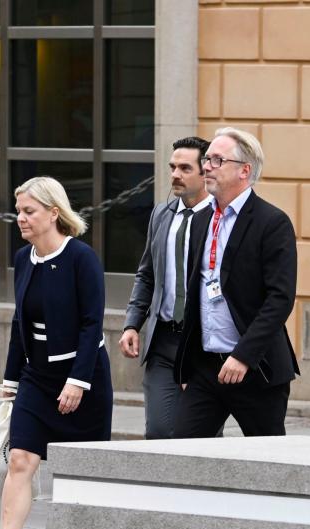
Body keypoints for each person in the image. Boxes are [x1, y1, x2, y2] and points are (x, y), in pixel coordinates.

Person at [0, 176, 113, 529]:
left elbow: (91, 325)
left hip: (82, 378)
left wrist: (78, 381)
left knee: (82, 469)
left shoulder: (81, 258)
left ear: (54, 212)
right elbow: (20, 323)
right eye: (19, 211)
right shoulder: (23, 259)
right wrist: (11, 380)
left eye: (29, 211)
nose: (21, 219)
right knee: (19, 459)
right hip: (37, 377)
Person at [172, 127, 299, 438]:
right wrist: (187, 366)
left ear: (245, 170)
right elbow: (196, 294)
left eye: (217, 160)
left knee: (268, 463)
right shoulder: (201, 219)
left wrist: (243, 355)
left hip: (255, 368)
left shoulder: (272, 222)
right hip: (205, 367)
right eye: (207, 159)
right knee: (181, 452)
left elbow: (279, 299)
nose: (207, 166)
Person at [119, 136, 212, 439]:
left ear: (205, 172)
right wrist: (133, 323)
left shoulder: (220, 219)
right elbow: (147, 274)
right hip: (163, 341)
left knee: (199, 435)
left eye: (185, 168)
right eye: (172, 167)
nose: (175, 174)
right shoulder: (162, 214)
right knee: (159, 431)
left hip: (204, 344)